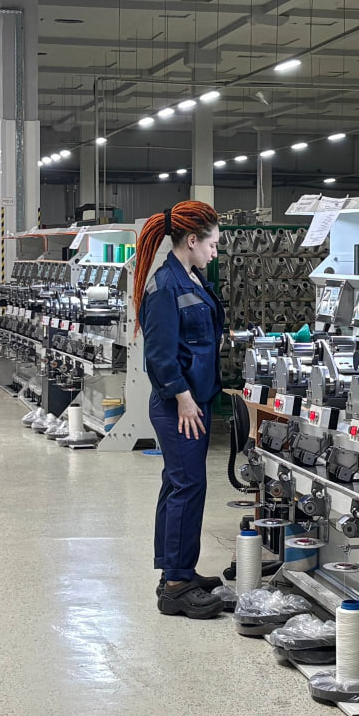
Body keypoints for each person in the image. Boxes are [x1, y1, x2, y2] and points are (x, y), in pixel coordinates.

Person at [134, 201, 225, 619]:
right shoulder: (165, 285)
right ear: (192, 240)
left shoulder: (192, 278)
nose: (215, 252)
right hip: (179, 406)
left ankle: (177, 571)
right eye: (212, 244)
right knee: (187, 487)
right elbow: (158, 355)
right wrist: (184, 398)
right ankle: (175, 587)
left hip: (194, 399)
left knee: (179, 486)